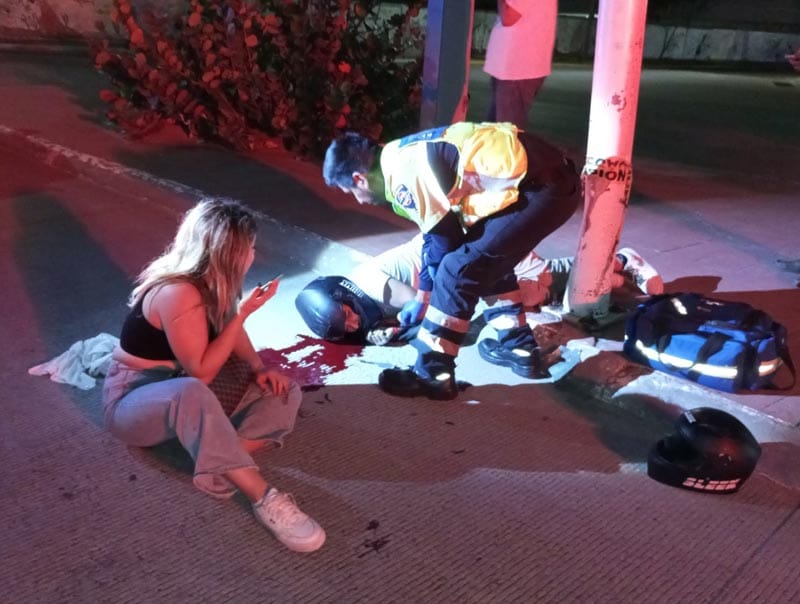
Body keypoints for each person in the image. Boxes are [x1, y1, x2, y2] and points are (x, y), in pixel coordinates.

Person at [102, 199, 325, 553]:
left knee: (282, 390)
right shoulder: (179, 292)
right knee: (191, 390)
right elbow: (202, 373)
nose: (254, 254)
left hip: (181, 388)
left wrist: (258, 368)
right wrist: (244, 314)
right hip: (134, 400)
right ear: (229, 252)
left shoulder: (214, 281)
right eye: (249, 247)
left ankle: (216, 460)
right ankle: (264, 497)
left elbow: (227, 331)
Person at [322, 121, 581, 400]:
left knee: (457, 270)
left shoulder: (404, 175)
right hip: (547, 181)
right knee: (484, 258)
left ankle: (433, 373)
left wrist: (428, 295)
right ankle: (518, 348)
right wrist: (422, 298)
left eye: (350, 192)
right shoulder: (399, 155)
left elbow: (444, 243)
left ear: (359, 178)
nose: (358, 201)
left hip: (544, 188)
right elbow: (440, 234)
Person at [296, 234, 664, 346]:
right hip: (460, 260)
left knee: (531, 297)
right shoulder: (362, 295)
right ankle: (616, 264)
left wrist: (390, 332)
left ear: (343, 296)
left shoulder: (375, 285)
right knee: (545, 282)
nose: (352, 323)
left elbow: (432, 311)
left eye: (346, 314)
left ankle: (614, 273)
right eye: (346, 327)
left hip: (467, 253)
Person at [483, 0, 558, 128]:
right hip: (513, 67)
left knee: (505, 133)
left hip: (517, 68)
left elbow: (509, 16)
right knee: (496, 133)